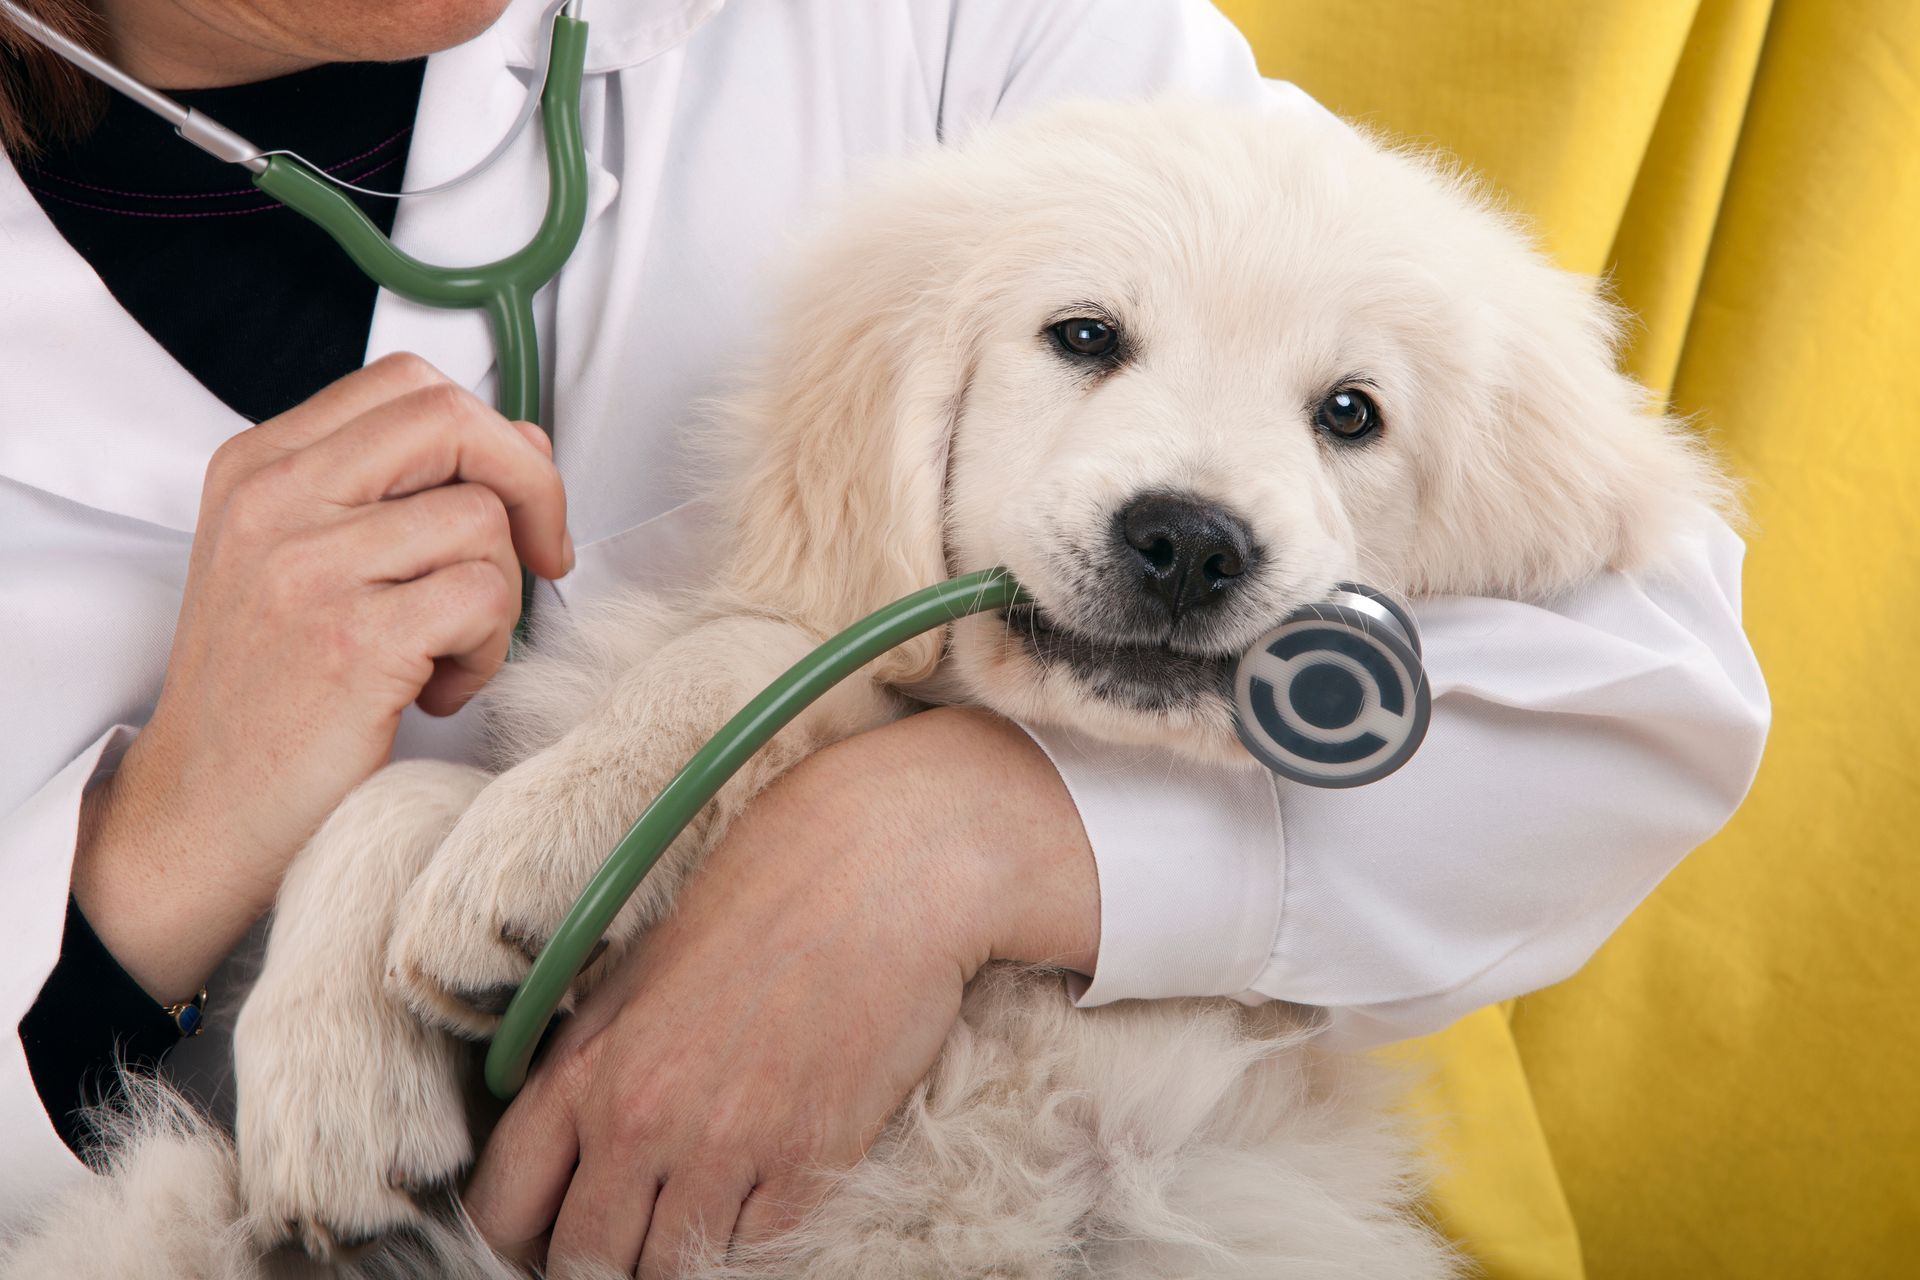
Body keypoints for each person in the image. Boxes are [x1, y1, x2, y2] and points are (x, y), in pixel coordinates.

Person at [0, 0, 1770, 1275]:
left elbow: (1638, 672)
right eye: (1086, 339)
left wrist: (949, 844)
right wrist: (150, 867)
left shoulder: (939, 31)